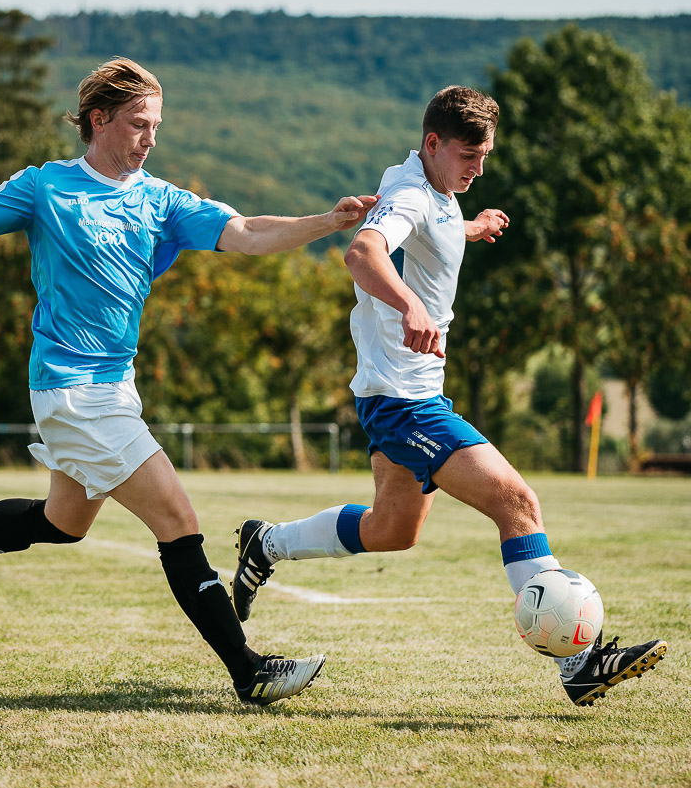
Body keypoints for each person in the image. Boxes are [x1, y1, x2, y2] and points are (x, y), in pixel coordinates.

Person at [0, 57, 378, 706]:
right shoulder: (45, 188)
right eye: (140, 123)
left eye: (156, 126)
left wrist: (327, 221)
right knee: (178, 517)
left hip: (115, 388)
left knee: (64, 521)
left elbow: (249, 232)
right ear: (99, 120)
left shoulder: (160, 198)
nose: (150, 138)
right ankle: (248, 667)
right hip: (69, 388)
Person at [230, 85, 668, 708]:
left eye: (485, 156)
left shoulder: (429, 190)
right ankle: (580, 664)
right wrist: (408, 304)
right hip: (404, 403)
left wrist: (470, 226)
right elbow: (362, 251)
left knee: (392, 530)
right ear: (433, 144)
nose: (479, 168)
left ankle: (265, 543)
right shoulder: (409, 193)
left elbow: (430, 228)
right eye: (469, 155)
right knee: (516, 500)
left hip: (401, 395)